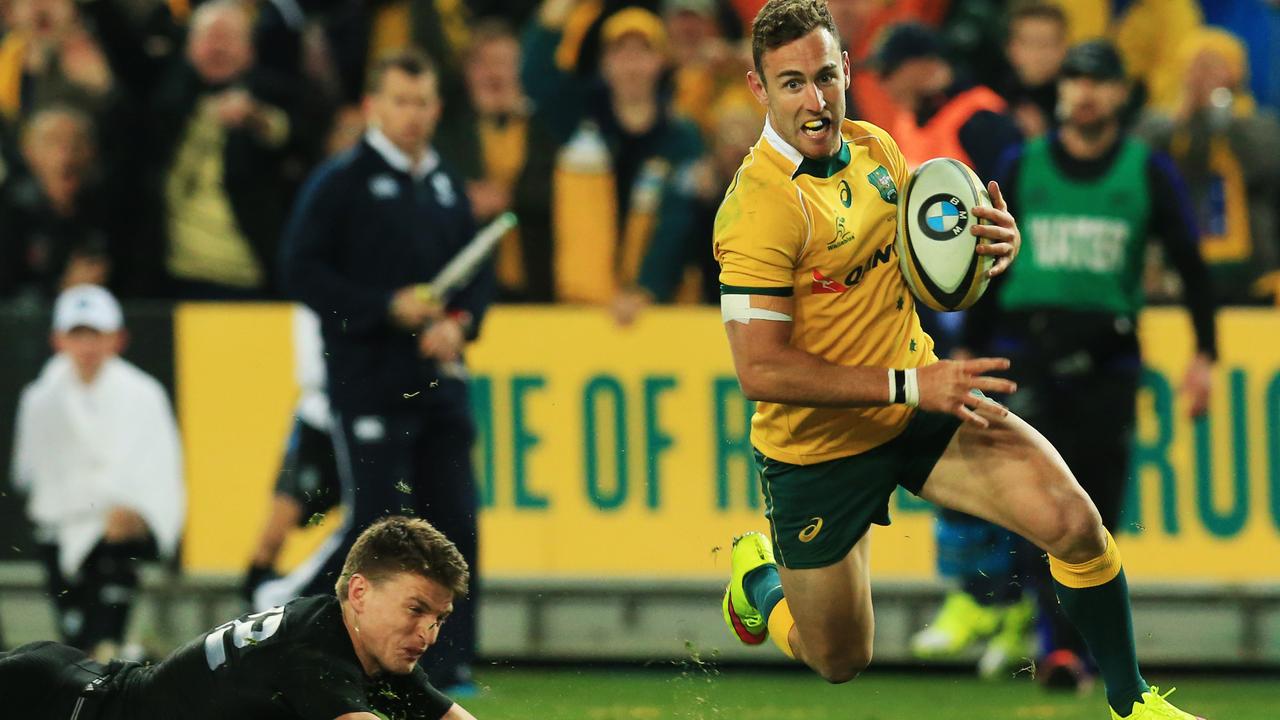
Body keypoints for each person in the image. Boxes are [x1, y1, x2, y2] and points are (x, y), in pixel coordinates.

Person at [715, 3, 1205, 719]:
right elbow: (761, 370)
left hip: (921, 406)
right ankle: (759, 582)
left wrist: (986, 246)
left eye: (825, 77)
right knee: (840, 659)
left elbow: (931, 248)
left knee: (1073, 522)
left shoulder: (878, 149)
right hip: (816, 448)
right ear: (758, 89)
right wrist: (913, 383)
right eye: (792, 84)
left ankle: (1134, 705)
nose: (815, 102)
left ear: (848, 70)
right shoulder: (759, 210)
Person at [959, 38, 1217, 693]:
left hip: (1107, 357)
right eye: (1074, 79)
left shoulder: (1144, 170)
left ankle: (1072, 644)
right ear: (1063, 91)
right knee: (1033, 507)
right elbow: (985, 264)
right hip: (1027, 351)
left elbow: (1189, 263)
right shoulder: (1021, 165)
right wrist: (966, 353)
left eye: (1098, 81)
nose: (1084, 92)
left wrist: (1205, 355)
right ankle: (1056, 646)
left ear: (1120, 94)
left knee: (1092, 510)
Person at [278, 48, 493, 693]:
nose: (413, 115)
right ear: (374, 106)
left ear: (437, 108)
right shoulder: (339, 182)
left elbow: (478, 278)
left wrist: (460, 323)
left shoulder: (446, 185)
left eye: (423, 102)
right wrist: (382, 309)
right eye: (401, 101)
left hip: (439, 385)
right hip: (367, 380)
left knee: (453, 524)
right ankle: (311, 641)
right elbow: (300, 271)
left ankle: (448, 666)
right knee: (372, 529)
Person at [0, 516, 480, 720]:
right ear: (359, 592)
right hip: (53, 705)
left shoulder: (359, 643)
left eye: (439, 618)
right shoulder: (315, 657)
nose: (429, 633)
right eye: (416, 609)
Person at [10, 284, 185, 660]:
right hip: (61, 530)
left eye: (96, 334)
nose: (87, 347)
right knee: (75, 637)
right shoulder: (39, 399)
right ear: (59, 340)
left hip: (120, 533)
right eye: (78, 335)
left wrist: (140, 514)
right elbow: (29, 472)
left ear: (117, 339)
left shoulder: (143, 394)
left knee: (100, 633)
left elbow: (161, 471)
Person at [1136, 27, 1280, 306]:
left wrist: (1222, 117)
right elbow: (1135, 161)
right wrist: (1185, 114)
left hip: (1250, 268)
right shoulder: (1160, 124)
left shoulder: (1260, 123)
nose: (1204, 77)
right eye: (1196, 66)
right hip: (1175, 266)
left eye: (1215, 66)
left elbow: (1267, 166)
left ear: (1237, 71)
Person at [243, 306, 342, 604]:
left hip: (364, 419)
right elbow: (314, 370)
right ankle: (253, 609)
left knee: (368, 523)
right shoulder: (318, 288)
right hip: (318, 421)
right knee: (274, 531)